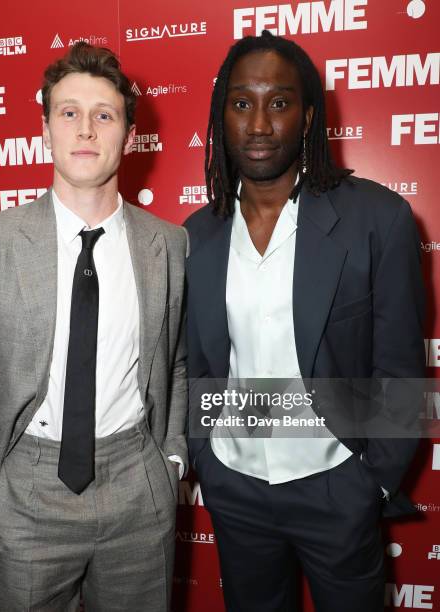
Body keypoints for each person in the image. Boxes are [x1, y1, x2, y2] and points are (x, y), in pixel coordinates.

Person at [0, 42, 187, 612]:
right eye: (69, 112)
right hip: (26, 492)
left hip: (137, 490)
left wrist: (168, 464)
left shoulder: (168, 244)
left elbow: (176, 363)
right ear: (45, 129)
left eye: (105, 114)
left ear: (128, 133)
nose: (87, 129)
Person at [184, 30, 425, 612]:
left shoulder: (378, 219)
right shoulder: (195, 236)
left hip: (338, 486)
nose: (260, 124)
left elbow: (399, 366)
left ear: (309, 115)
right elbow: (195, 365)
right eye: (242, 104)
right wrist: (208, 463)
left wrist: (372, 483)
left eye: (279, 102)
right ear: (221, 118)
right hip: (235, 490)